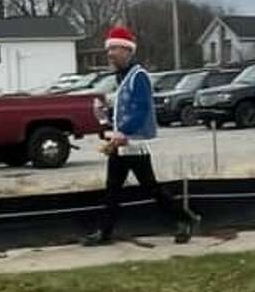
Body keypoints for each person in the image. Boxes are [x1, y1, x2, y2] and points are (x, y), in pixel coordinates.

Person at [82, 26, 197, 246]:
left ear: (127, 51)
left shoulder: (139, 76)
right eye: (110, 49)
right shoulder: (122, 77)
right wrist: (105, 115)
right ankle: (105, 232)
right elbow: (124, 108)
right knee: (114, 188)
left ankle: (186, 219)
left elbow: (141, 108)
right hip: (121, 142)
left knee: (148, 187)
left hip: (133, 142)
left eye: (115, 48)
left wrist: (123, 132)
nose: (110, 53)